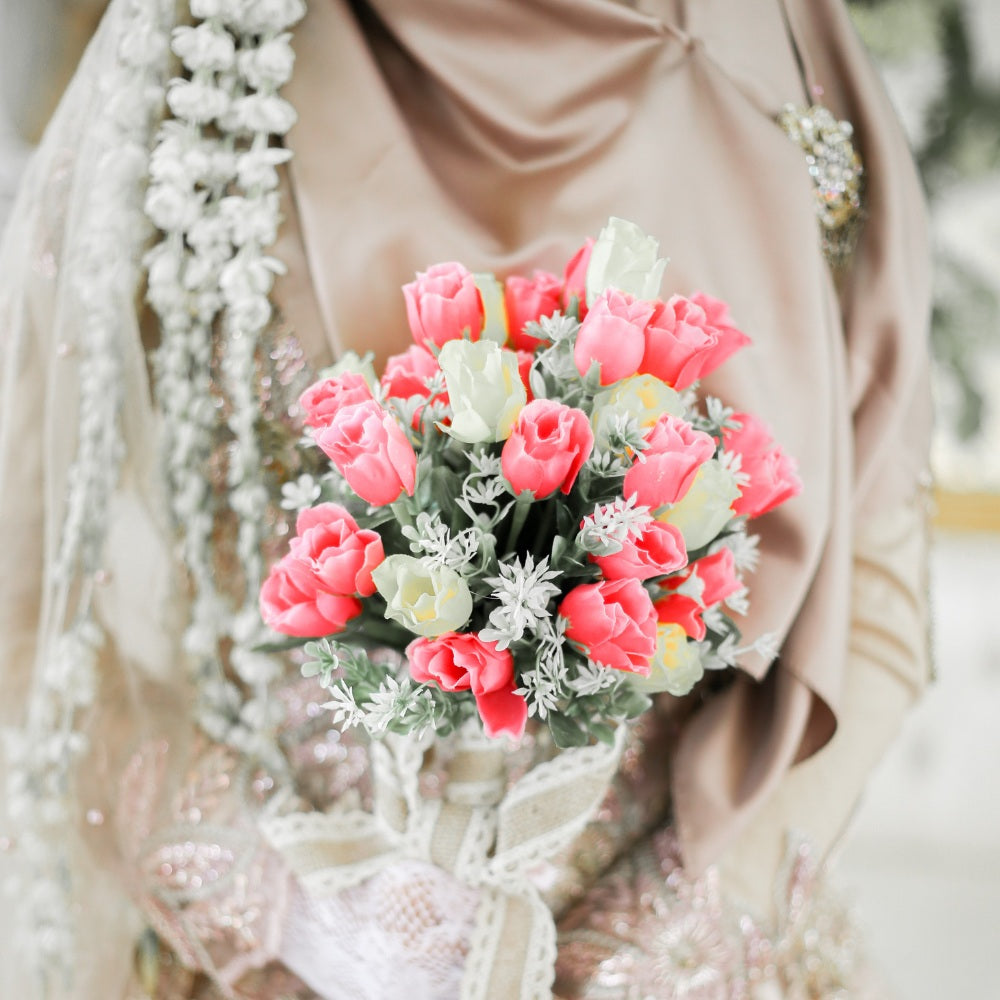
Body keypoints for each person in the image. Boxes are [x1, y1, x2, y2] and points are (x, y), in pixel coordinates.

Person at [0, 0, 932, 997]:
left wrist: (641, 955)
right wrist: (282, 898)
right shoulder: (206, 66)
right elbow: (31, 591)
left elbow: (875, 597)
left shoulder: (776, 56)